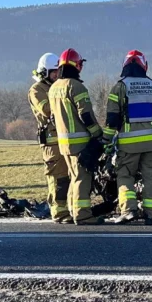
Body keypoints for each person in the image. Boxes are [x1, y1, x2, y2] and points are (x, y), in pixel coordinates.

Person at [103, 50, 152, 225]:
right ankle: (151, 215)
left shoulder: (119, 87)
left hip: (128, 144)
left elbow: (112, 119)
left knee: (125, 175)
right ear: (143, 65)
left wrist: (105, 142)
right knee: (151, 176)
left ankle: (129, 210)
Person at [49, 48, 105, 225]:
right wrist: (98, 134)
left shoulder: (53, 88)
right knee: (82, 177)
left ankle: (73, 211)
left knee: (73, 177)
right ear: (77, 65)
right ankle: (83, 215)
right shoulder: (76, 86)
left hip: (63, 143)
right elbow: (86, 114)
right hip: (80, 142)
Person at [28, 52, 71, 223]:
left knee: (69, 178)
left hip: (66, 139)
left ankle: (69, 209)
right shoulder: (36, 90)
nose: (57, 75)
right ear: (44, 72)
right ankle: (59, 212)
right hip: (52, 144)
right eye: (54, 72)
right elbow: (48, 110)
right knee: (58, 178)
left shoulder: (56, 86)